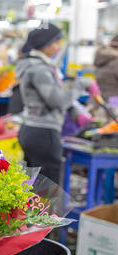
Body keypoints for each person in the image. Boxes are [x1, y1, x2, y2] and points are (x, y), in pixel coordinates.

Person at [17, 23, 96, 184]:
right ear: (45, 45)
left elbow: (55, 97)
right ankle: (45, 211)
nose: (59, 47)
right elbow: (58, 101)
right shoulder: (39, 70)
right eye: (56, 42)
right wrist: (81, 84)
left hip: (31, 130)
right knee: (47, 190)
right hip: (43, 134)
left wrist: (75, 111)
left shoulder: (35, 66)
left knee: (33, 188)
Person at [93, 35, 118, 120]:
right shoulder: (116, 61)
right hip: (114, 100)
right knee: (113, 126)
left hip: (98, 101)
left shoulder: (101, 59)